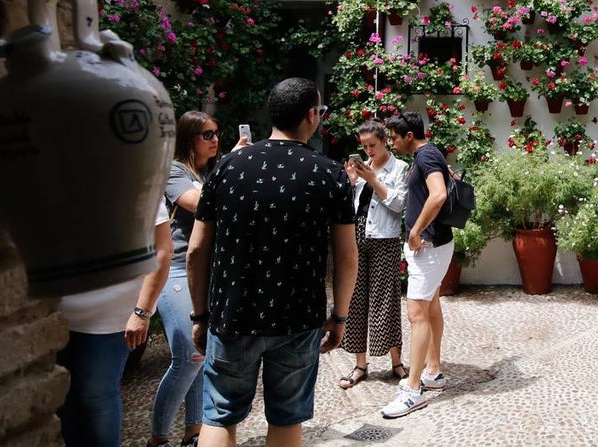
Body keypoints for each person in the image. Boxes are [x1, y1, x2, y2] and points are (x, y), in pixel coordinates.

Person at [187, 78, 357, 446]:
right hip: (297, 317)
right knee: (285, 418)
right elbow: (346, 256)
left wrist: (200, 316)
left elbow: (197, 250)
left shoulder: (227, 168)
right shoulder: (330, 174)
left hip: (233, 314)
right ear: (312, 115)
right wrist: (340, 316)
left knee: (219, 414)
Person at [149, 111, 248, 447]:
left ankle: (193, 433)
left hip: (206, 271)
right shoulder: (174, 171)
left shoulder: (210, 171)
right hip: (176, 268)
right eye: (207, 134)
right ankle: (159, 437)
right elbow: (197, 202)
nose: (214, 140)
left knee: (201, 354)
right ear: (189, 137)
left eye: (217, 133)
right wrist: (232, 167)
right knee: (189, 355)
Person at [57, 195, 172, 447]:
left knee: (96, 397)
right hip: (55, 314)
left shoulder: (135, 175)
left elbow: (162, 250)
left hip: (110, 316)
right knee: (64, 400)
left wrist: (142, 311)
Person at [381, 112, 453, 419]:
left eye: (394, 137)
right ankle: (433, 372)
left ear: (409, 135)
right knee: (431, 304)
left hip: (429, 245)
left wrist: (415, 229)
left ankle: (412, 390)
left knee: (416, 313)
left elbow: (438, 194)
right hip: (433, 245)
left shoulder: (425, 157)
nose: (391, 142)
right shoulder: (429, 154)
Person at [338, 119, 409, 389]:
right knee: (355, 300)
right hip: (358, 234)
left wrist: (372, 179)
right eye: (364, 145)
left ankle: (396, 363)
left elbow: (398, 204)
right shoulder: (361, 167)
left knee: (386, 301)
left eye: (373, 145)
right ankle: (360, 365)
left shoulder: (399, 168)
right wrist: (353, 182)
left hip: (385, 238)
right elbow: (352, 204)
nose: (368, 150)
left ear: (384, 141)